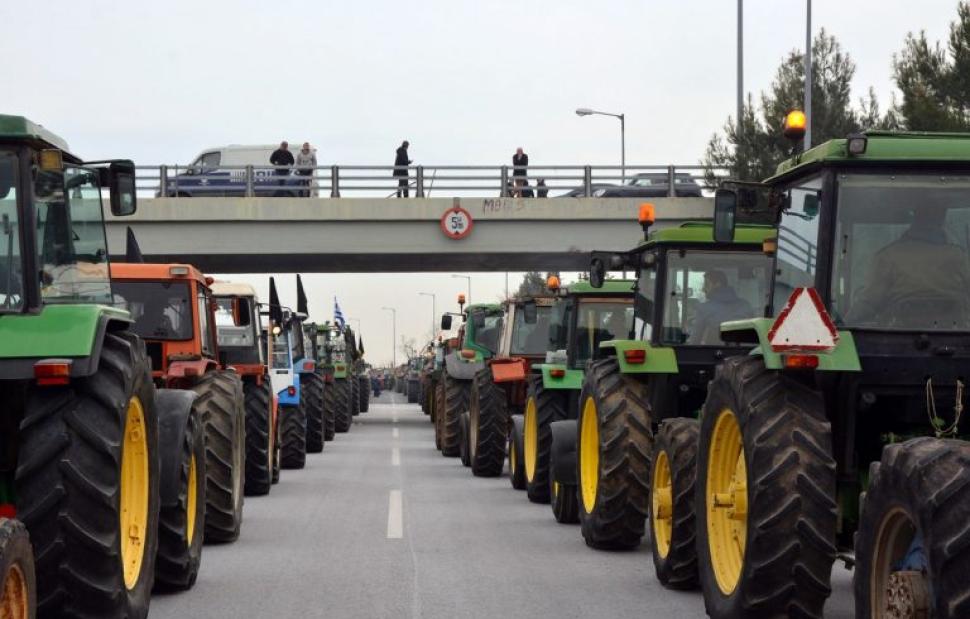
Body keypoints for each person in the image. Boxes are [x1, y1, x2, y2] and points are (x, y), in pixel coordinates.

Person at [845, 206, 970, 327]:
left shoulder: (888, 256)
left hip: (894, 338)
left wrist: (843, 325)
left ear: (916, 217)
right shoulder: (958, 257)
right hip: (956, 337)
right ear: (941, 219)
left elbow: (869, 302)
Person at [688, 270, 753, 345]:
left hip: (713, 351)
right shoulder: (746, 305)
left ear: (717, 284)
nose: (703, 289)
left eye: (706, 285)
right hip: (745, 351)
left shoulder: (704, 309)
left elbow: (694, 341)